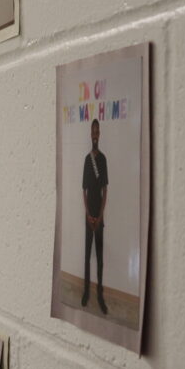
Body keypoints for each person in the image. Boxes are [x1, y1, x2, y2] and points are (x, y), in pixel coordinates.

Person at [82, 119, 109, 314]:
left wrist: (99, 216)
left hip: (99, 217)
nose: (95, 134)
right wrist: (87, 213)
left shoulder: (103, 160)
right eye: (93, 131)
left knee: (99, 257)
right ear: (90, 134)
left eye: (97, 131)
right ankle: (86, 291)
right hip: (88, 216)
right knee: (86, 256)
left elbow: (105, 190)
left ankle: (100, 294)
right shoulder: (86, 159)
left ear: (100, 134)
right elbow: (84, 190)